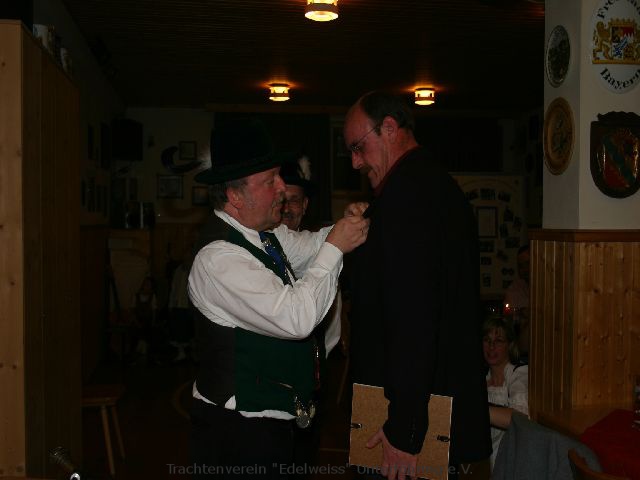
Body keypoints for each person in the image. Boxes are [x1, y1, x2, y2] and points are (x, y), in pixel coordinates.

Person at [188, 118, 369, 479]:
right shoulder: (218, 259)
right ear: (235, 195)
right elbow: (296, 318)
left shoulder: (264, 236)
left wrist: (344, 226)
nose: (283, 188)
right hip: (238, 430)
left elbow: (311, 245)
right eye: (271, 180)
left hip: (267, 422)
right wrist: (336, 246)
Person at [343, 91, 492, 479]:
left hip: (410, 422)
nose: (356, 162)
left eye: (358, 147)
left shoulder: (406, 196)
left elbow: (413, 322)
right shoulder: (433, 185)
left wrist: (405, 430)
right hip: (433, 404)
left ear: (390, 129)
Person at [483, 316, 529, 470]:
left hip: (514, 460)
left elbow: (520, 418)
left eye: (498, 341)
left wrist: (475, 411)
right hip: (485, 461)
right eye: (487, 340)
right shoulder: (480, 380)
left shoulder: (520, 373)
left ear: (510, 345)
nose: (491, 346)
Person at [503, 244, 530, 361]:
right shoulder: (514, 289)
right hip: (519, 352)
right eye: (521, 266)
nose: (524, 269)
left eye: (527, 264)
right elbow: (508, 317)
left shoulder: (548, 287)